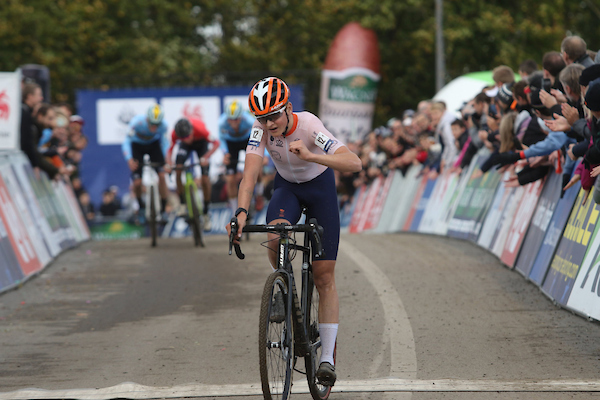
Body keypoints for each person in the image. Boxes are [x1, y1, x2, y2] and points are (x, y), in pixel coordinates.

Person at [226, 77, 362, 386]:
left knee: (324, 275)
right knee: (275, 234)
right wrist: (242, 212)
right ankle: (283, 287)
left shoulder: (310, 126)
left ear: (288, 108)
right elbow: (249, 177)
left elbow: (354, 163)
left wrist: (312, 156)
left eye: (274, 115)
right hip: (287, 188)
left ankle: (326, 358)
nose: (268, 123)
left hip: (319, 189)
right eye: (262, 117)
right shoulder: (260, 130)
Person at [168, 117, 220, 230]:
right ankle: (182, 203)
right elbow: (170, 150)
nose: (187, 140)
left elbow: (216, 143)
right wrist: (169, 163)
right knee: (178, 169)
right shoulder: (176, 134)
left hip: (201, 144)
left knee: (205, 178)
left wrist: (206, 157)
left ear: (191, 131)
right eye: (183, 138)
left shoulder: (200, 129)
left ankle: (206, 212)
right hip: (185, 148)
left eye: (187, 136)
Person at [122, 104, 170, 217]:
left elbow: (165, 143)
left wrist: (165, 160)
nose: (154, 127)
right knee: (137, 182)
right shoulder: (136, 123)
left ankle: (163, 207)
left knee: (162, 176)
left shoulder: (164, 126)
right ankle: (140, 205)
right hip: (137, 146)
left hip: (154, 146)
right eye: (152, 124)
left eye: (157, 124)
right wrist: (129, 159)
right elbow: (126, 142)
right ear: (147, 119)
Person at [218, 100, 256, 212]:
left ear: (241, 116)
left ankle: (256, 196)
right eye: (231, 119)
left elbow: (261, 136)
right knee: (230, 179)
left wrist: (264, 155)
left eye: (236, 119)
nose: (233, 123)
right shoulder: (222, 122)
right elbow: (221, 139)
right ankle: (235, 211)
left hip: (246, 140)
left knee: (255, 170)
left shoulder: (249, 120)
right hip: (231, 144)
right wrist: (225, 153)